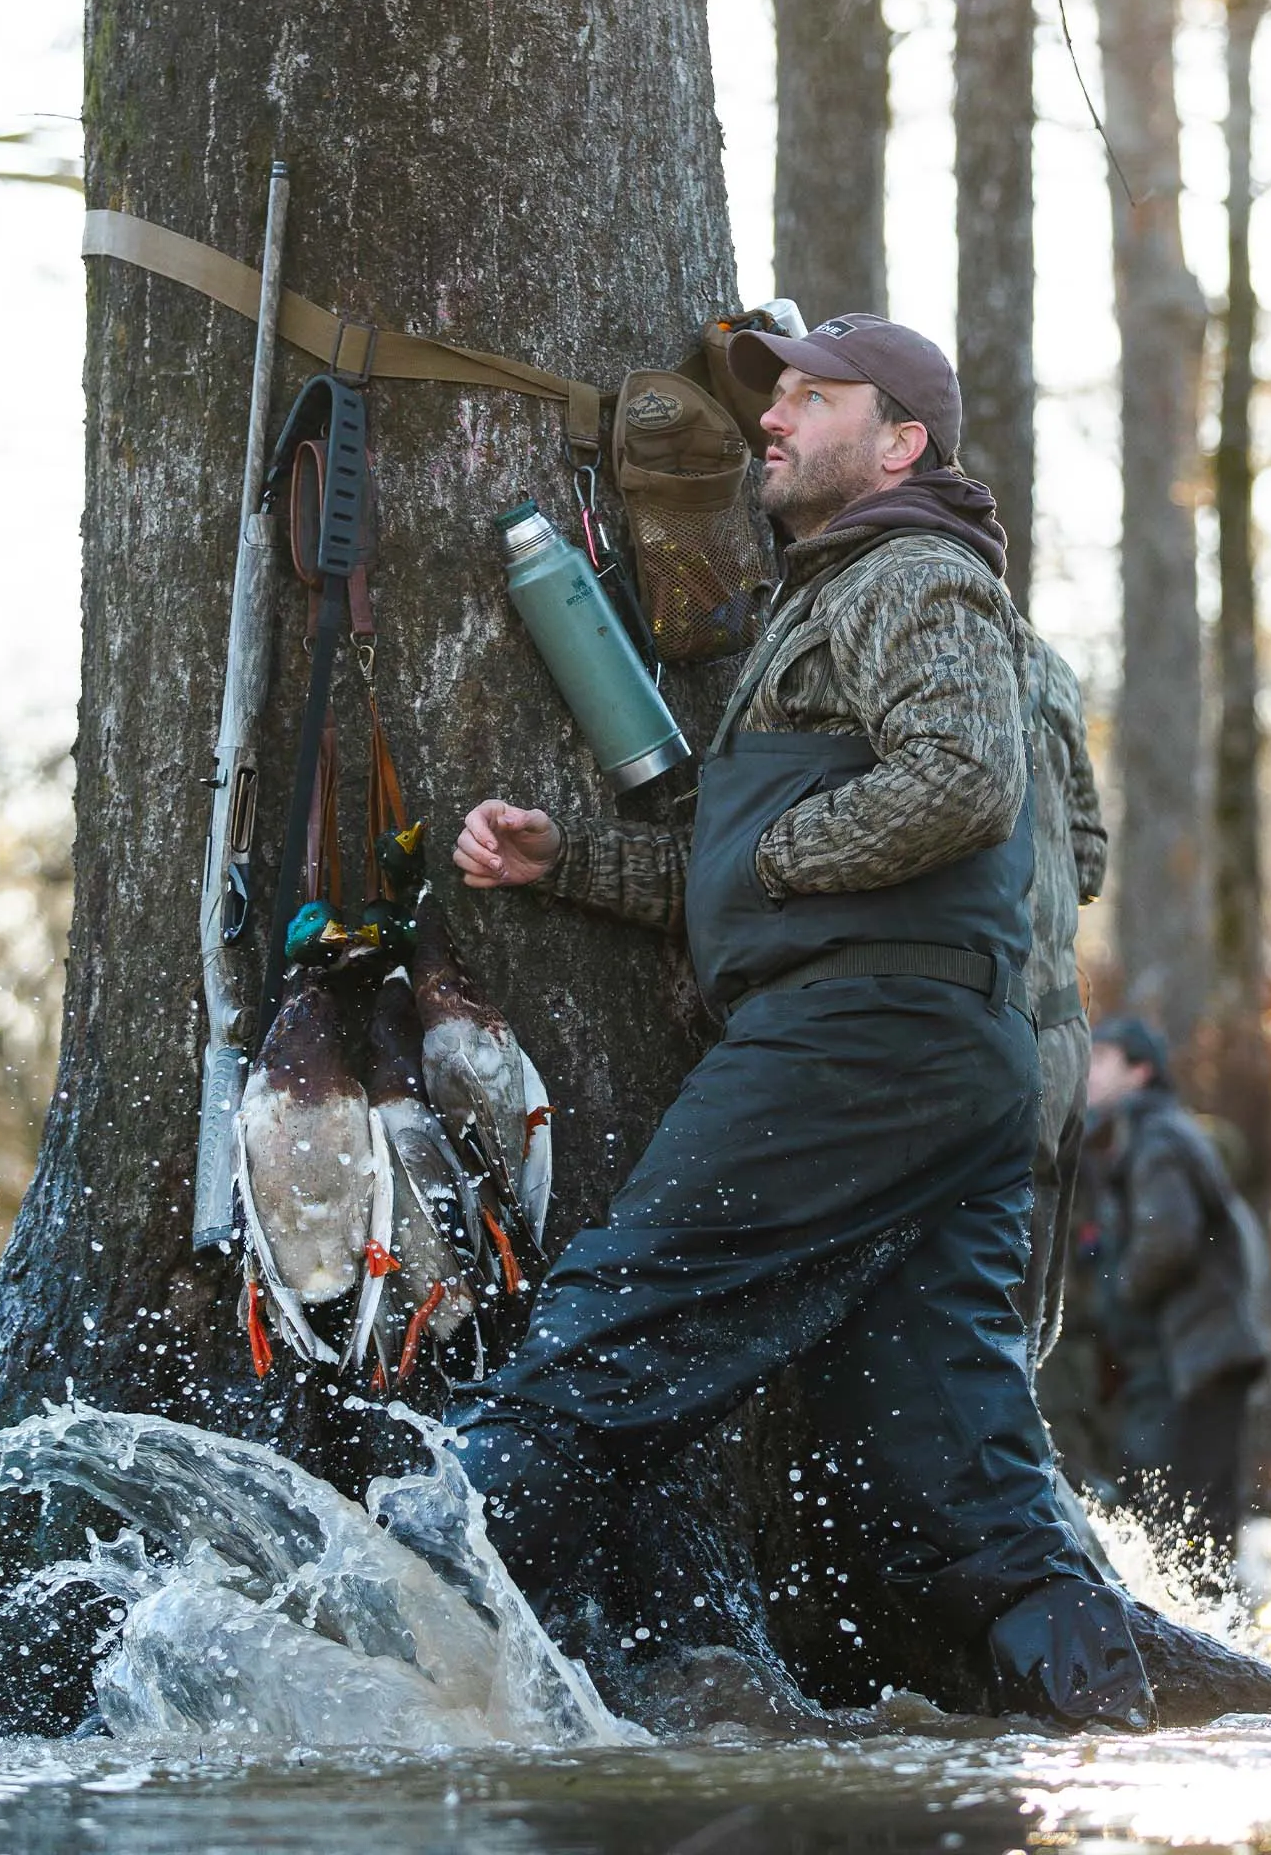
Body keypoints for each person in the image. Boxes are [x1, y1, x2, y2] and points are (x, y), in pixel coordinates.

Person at [448, 313, 1153, 1730]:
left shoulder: (916, 575)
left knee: (617, 1318)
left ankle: (403, 1591)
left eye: (812, 400)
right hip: (945, 1064)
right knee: (956, 1458)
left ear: (899, 443)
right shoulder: (831, 594)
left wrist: (770, 861)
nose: (772, 420)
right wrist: (565, 863)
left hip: (860, 1043)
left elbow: (963, 782)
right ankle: (1124, 1732)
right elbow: (763, 867)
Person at [1081, 1015, 1271, 1570]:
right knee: (1192, 1524)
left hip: (1197, 1363)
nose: (1088, 1073)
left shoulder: (1158, 1137)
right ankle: (1209, 1639)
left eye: (1101, 1060)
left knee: (1191, 1528)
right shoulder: (1151, 1134)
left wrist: (1117, 1293)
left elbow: (1166, 1243)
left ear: (1139, 1072)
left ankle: (1213, 1647)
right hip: (1199, 1360)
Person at [1017, 626, 1107, 1376]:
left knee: (988, 1347)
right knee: (1018, 1346)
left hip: (1003, 1033)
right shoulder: (1051, 665)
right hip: (1058, 1028)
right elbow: (1089, 856)